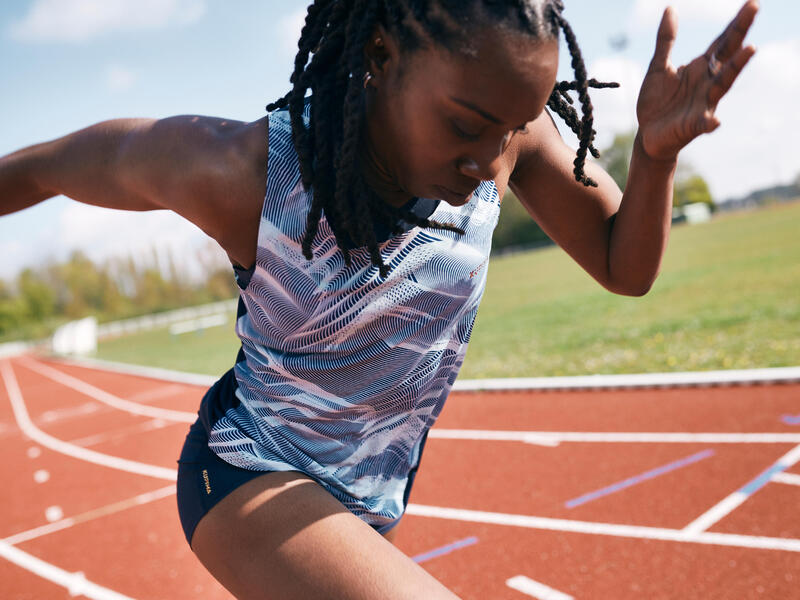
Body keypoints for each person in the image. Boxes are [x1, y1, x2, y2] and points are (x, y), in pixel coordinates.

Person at [0, 0, 758, 597]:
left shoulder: (508, 140)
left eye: (515, 126)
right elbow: (51, 166)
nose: (490, 155)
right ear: (380, 55)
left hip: (373, 501)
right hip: (249, 471)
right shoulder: (247, 173)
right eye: (467, 124)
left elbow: (623, 264)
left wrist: (656, 158)